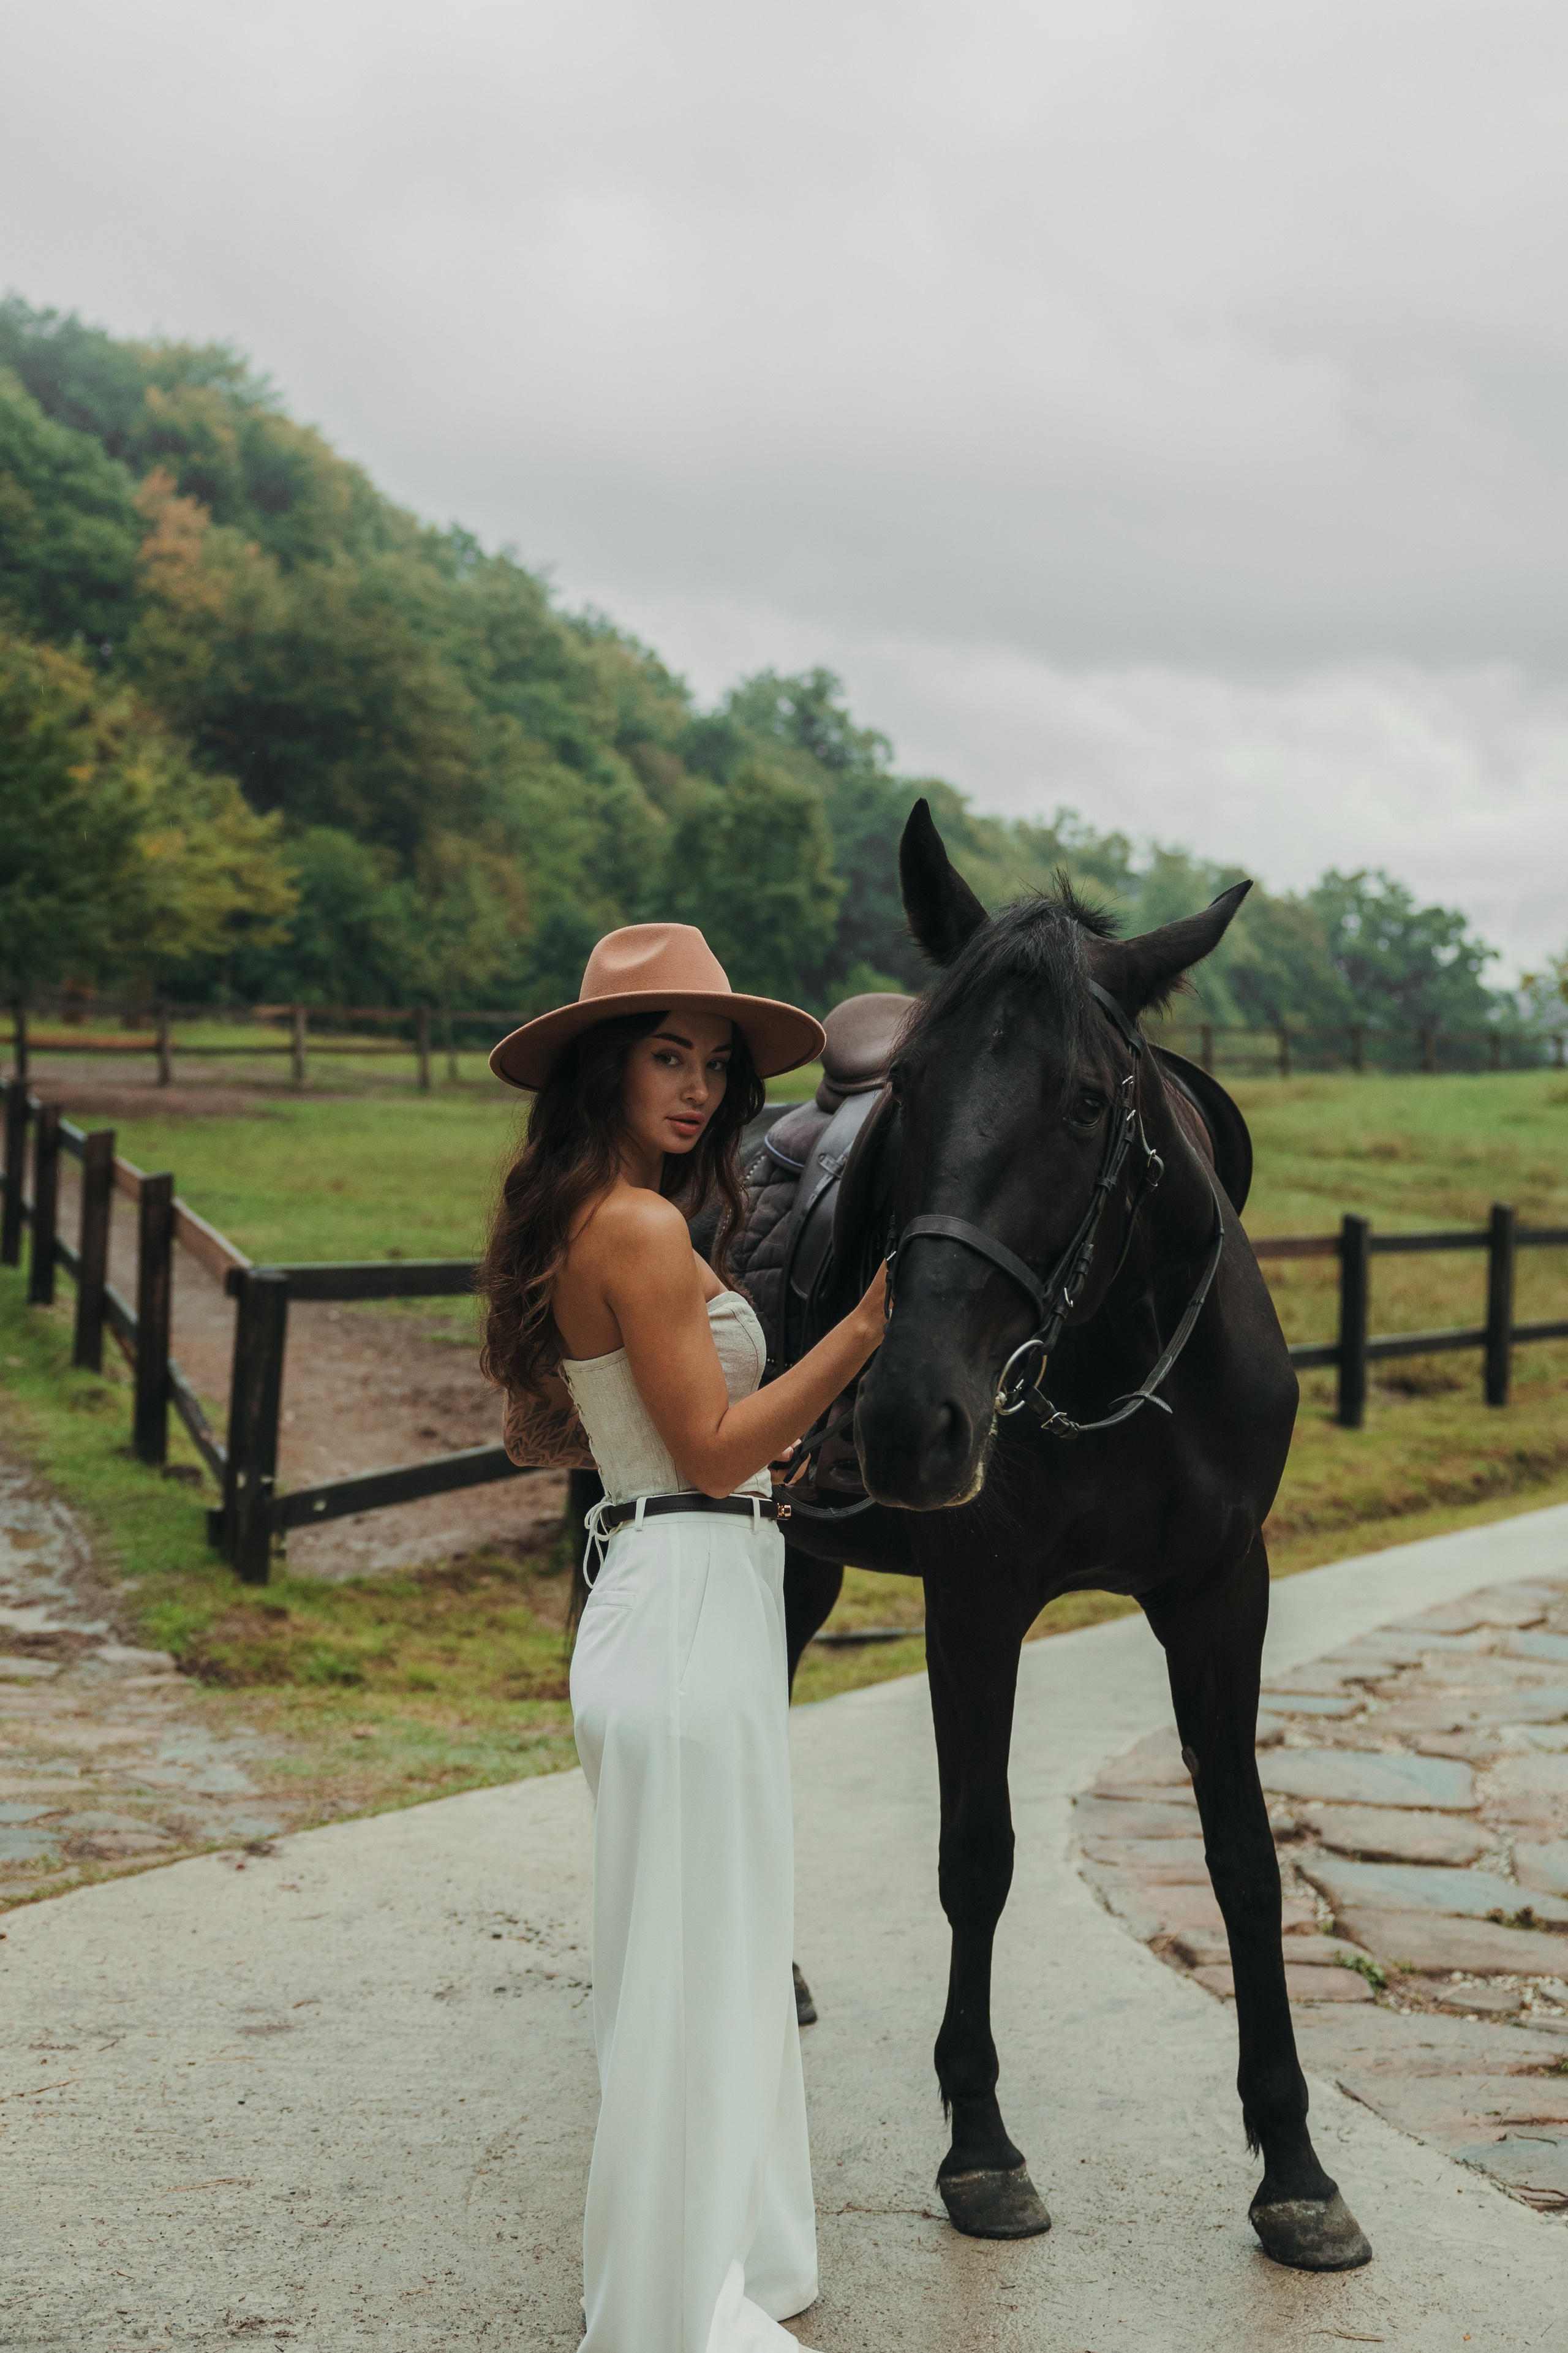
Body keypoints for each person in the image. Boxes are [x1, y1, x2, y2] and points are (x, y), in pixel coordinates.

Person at [479, 924, 888, 2353]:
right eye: (669, 1054)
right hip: (683, 1589)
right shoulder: (636, 1226)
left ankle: (726, 2248)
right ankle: (664, 2305)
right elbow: (714, 1456)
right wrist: (862, 1329)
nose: (701, 1086)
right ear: (603, 1064)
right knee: (682, 1972)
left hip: (687, 1594)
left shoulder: (619, 1212)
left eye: (714, 1063)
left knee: (709, 1953)